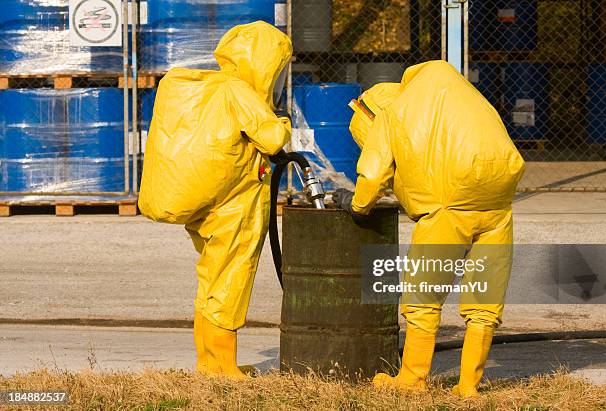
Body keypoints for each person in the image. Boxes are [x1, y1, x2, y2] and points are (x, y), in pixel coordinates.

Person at [334, 60, 525, 397]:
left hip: (447, 205)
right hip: (498, 203)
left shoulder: (394, 112)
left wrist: (357, 204)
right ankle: (468, 386)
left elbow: (374, 173)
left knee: (423, 296)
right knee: (485, 299)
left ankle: (412, 379)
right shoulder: (466, 98)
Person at [138, 21, 292, 378]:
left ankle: (208, 362)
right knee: (230, 280)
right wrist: (281, 122)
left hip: (208, 204)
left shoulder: (212, 88)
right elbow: (270, 139)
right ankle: (223, 367)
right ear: (264, 63)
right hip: (234, 207)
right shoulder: (240, 92)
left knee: (210, 279)